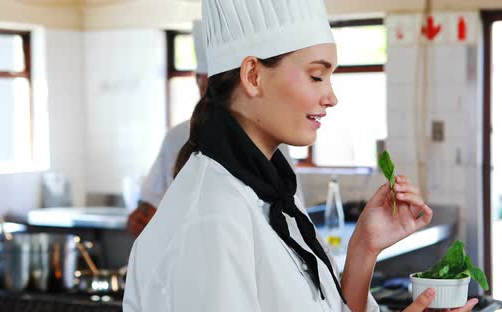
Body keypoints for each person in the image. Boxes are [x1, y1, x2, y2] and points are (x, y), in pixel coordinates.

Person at [123, 1, 478, 311]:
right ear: (252, 75)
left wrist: (363, 249)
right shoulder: (211, 219)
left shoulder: (274, 193)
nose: (331, 97)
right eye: (316, 75)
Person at [126, 20, 305, 237]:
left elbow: (292, 215)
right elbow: (150, 207)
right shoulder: (177, 137)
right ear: (197, 81)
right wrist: (141, 218)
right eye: (208, 84)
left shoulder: (266, 135)